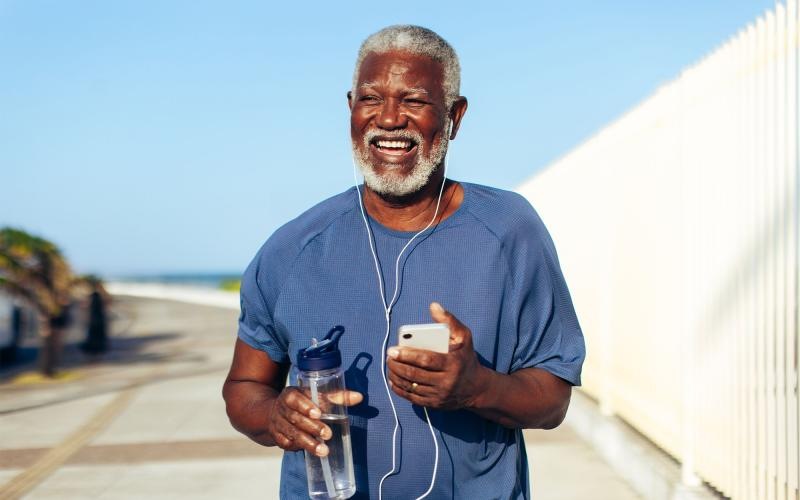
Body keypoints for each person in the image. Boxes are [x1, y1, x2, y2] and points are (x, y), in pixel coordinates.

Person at [223, 25, 585, 499]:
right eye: (371, 100)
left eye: (413, 101)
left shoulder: (509, 231)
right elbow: (244, 386)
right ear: (350, 108)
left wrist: (476, 387)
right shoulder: (292, 249)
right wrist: (275, 417)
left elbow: (553, 401)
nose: (389, 119)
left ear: (454, 117)